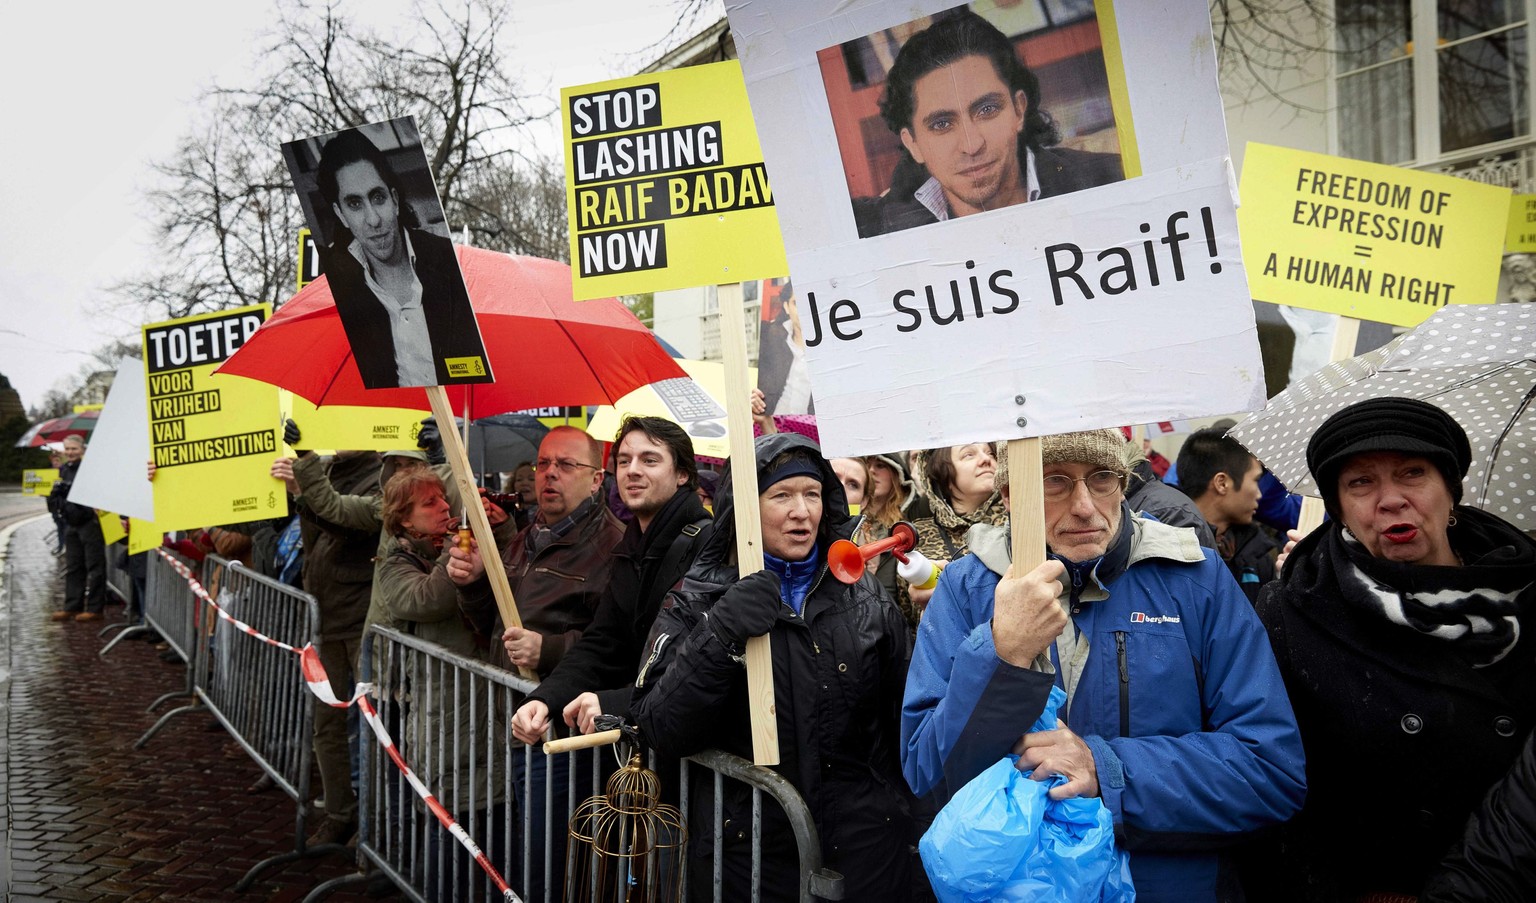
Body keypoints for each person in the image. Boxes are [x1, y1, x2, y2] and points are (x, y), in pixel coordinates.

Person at [903, 429, 1305, 902]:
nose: (1084, 506)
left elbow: (1270, 769)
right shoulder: (967, 588)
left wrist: (1105, 770)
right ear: (1011, 496)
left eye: (1102, 479)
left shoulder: (1196, 579)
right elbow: (928, 775)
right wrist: (1001, 652)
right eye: (1055, 481)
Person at [1250, 398, 1536, 900]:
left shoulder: (1528, 592)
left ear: (1452, 491)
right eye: (1360, 482)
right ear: (1338, 509)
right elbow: (1272, 790)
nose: (1390, 500)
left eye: (1412, 473)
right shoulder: (1292, 614)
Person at [631, 432, 916, 901]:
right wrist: (720, 633)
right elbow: (658, 725)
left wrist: (904, 820)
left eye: (812, 494)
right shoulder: (698, 599)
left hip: (866, 852)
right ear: (743, 507)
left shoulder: (865, 598)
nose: (801, 511)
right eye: (780, 495)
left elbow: (903, 723)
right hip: (751, 857)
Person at [449, 425, 624, 903]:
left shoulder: (615, 548)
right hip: (513, 717)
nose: (550, 474)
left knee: (552, 859)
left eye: (566, 465)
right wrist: (472, 584)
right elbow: (491, 626)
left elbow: (615, 644)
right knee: (521, 846)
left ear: (596, 479)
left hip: (563, 735)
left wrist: (547, 649)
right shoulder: (526, 537)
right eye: (544, 463)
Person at [509, 416, 712, 744]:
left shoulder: (707, 546)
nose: (632, 470)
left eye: (649, 460)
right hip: (645, 750)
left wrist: (617, 703)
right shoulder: (630, 548)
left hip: (693, 759)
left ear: (682, 475)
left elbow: (697, 664)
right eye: (623, 460)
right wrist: (545, 698)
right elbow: (603, 642)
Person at [858, 10, 1123, 238]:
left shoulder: (1115, 182)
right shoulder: (874, 233)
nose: (972, 145)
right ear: (912, 143)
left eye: (987, 109)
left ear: (1019, 110)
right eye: (941, 124)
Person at [375, 467, 507, 901]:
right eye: (430, 502)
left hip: (484, 700)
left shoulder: (449, 541)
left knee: (490, 814)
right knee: (447, 815)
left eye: (444, 499)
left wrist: (499, 528)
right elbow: (429, 599)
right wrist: (464, 534)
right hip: (442, 710)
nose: (445, 506)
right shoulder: (396, 562)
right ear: (405, 520)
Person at [271, 436, 383, 847]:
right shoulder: (330, 471)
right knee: (326, 728)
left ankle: (375, 822)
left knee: (373, 728)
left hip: (360, 622)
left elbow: (345, 520)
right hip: (329, 618)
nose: (341, 433)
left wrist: (307, 484)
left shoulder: (381, 475)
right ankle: (340, 813)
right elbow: (317, 535)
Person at [314, 128, 486, 389]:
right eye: (355, 204)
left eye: (378, 198)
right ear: (341, 215)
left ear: (394, 200)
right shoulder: (340, 291)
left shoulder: (450, 262)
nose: (373, 220)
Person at [907, 442, 1006, 621]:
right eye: (969, 454)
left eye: (991, 453)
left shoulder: (1016, 524)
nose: (986, 460)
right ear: (943, 474)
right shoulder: (918, 536)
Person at [1176, 427, 1276, 600]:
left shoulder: (1258, 553)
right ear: (1222, 483)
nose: (1259, 494)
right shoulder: (1170, 552)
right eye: (1255, 480)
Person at [50, 436, 107, 622]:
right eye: (67, 449)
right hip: (71, 524)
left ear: (82, 449)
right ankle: (72, 606)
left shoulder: (89, 470)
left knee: (95, 566)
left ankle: (95, 609)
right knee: (74, 566)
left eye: (74, 448)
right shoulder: (63, 470)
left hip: (89, 523)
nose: (70, 452)